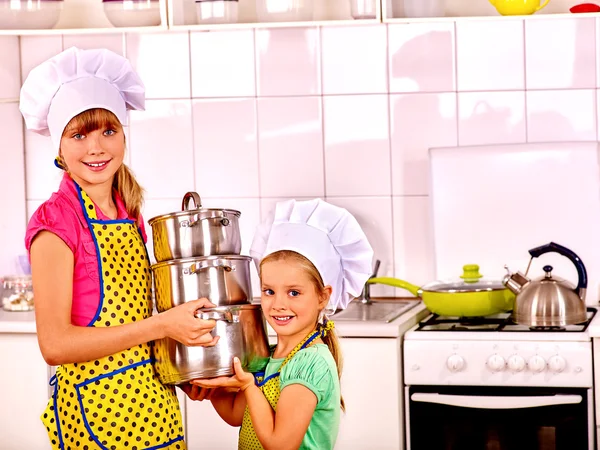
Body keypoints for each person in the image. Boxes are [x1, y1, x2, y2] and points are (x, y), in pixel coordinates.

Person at [20, 47, 218, 450]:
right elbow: (55, 346)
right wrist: (163, 326)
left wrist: (181, 369)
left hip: (154, 404)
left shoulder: (129, 209)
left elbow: (140, 320)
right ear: (59, 147)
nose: (96, 147)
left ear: (124, 134)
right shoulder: (55, 221)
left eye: (108, 131)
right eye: (79, 134)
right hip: (98, 414)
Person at [191, 198, 374, 450]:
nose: (278, 304)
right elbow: (237, 416)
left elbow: (280, 445)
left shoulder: (309, 362)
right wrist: (211, 389)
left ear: (323, 296)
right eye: (268, 291)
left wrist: (248, 385)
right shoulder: (271, 354)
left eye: (294, 293)